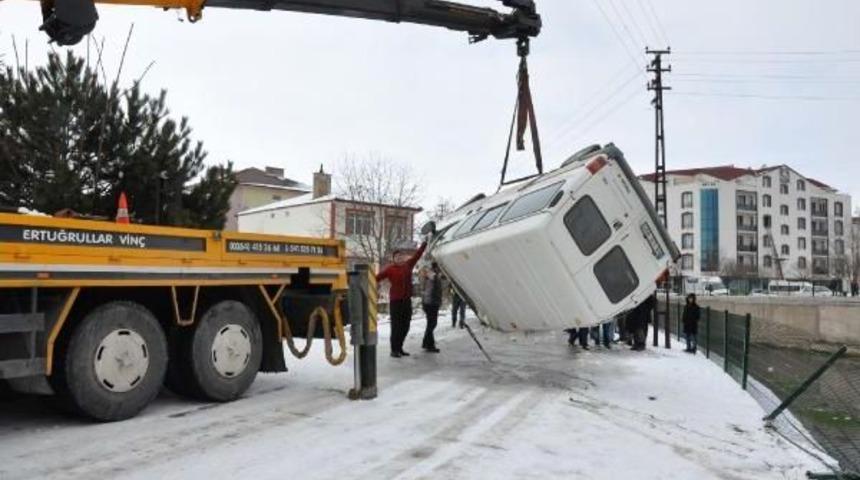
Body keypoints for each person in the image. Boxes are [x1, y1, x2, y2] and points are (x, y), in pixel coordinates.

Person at [377, 240, 427, 358]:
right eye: (397, 257)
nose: (399, 258)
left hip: (406, 300)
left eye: (401, 256)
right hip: (395, 301)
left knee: (406, 325)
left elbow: (417, 255)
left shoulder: (408, 265)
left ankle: (400, 347)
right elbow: (377, 278)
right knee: (396, 326)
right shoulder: (390, 269)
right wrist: (367, 281)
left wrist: (424, 244)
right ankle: (394, 350)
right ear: (393, 259)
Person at [421, 262, 443, 353]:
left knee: (431, 324)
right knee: (432, 324)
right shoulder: (433, 276)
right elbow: (431, 291)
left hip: (429, 303)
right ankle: (428, 344)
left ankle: (427, 343)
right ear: (436, 268)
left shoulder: (432, 276)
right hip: (431, 303)